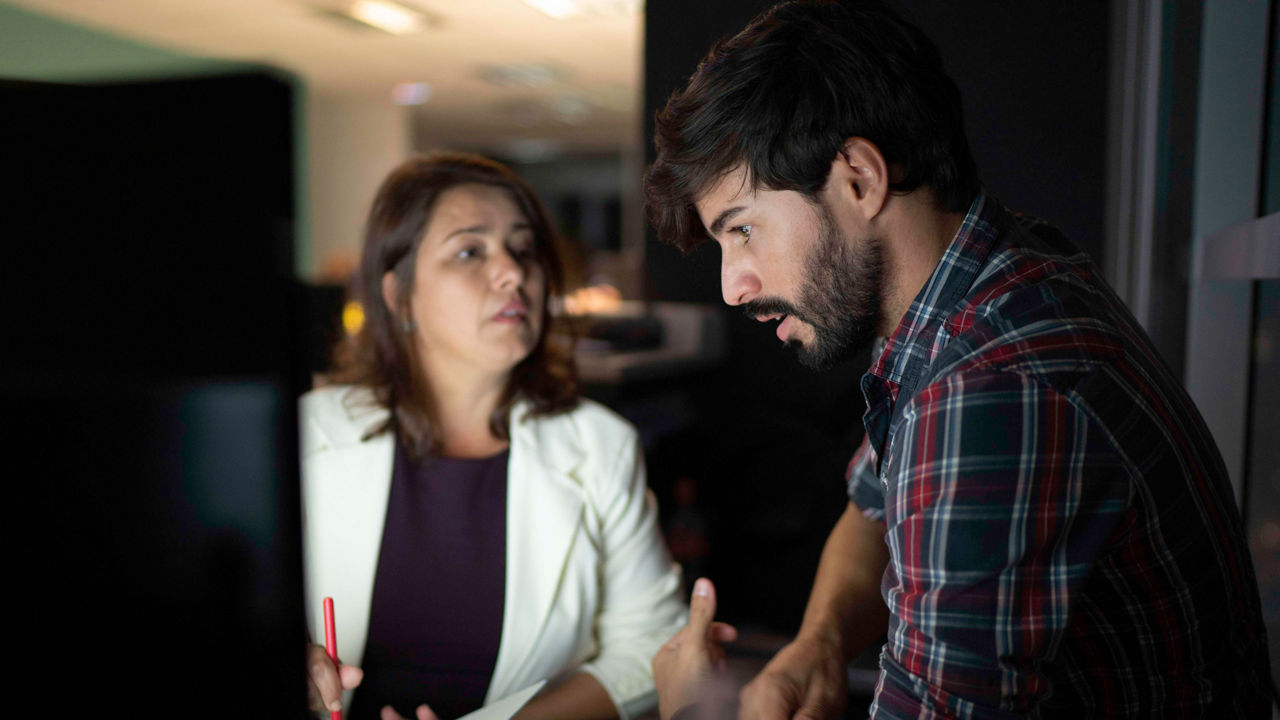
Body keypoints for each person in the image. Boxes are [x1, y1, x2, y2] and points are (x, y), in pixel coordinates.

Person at [643, 1, 1272, 718]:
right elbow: (870, 507)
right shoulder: (985, 280)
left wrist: (695, 713)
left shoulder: (991, 386)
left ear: (858, 178)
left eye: (744, 230)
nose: (733, 287)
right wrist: (817, 646)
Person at [301, 151, 685, 720]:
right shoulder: (304, 434)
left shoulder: (601, 447)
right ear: (398, 295)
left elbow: (651, 645)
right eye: (469, 250)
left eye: (523, 249)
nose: (512, 271)